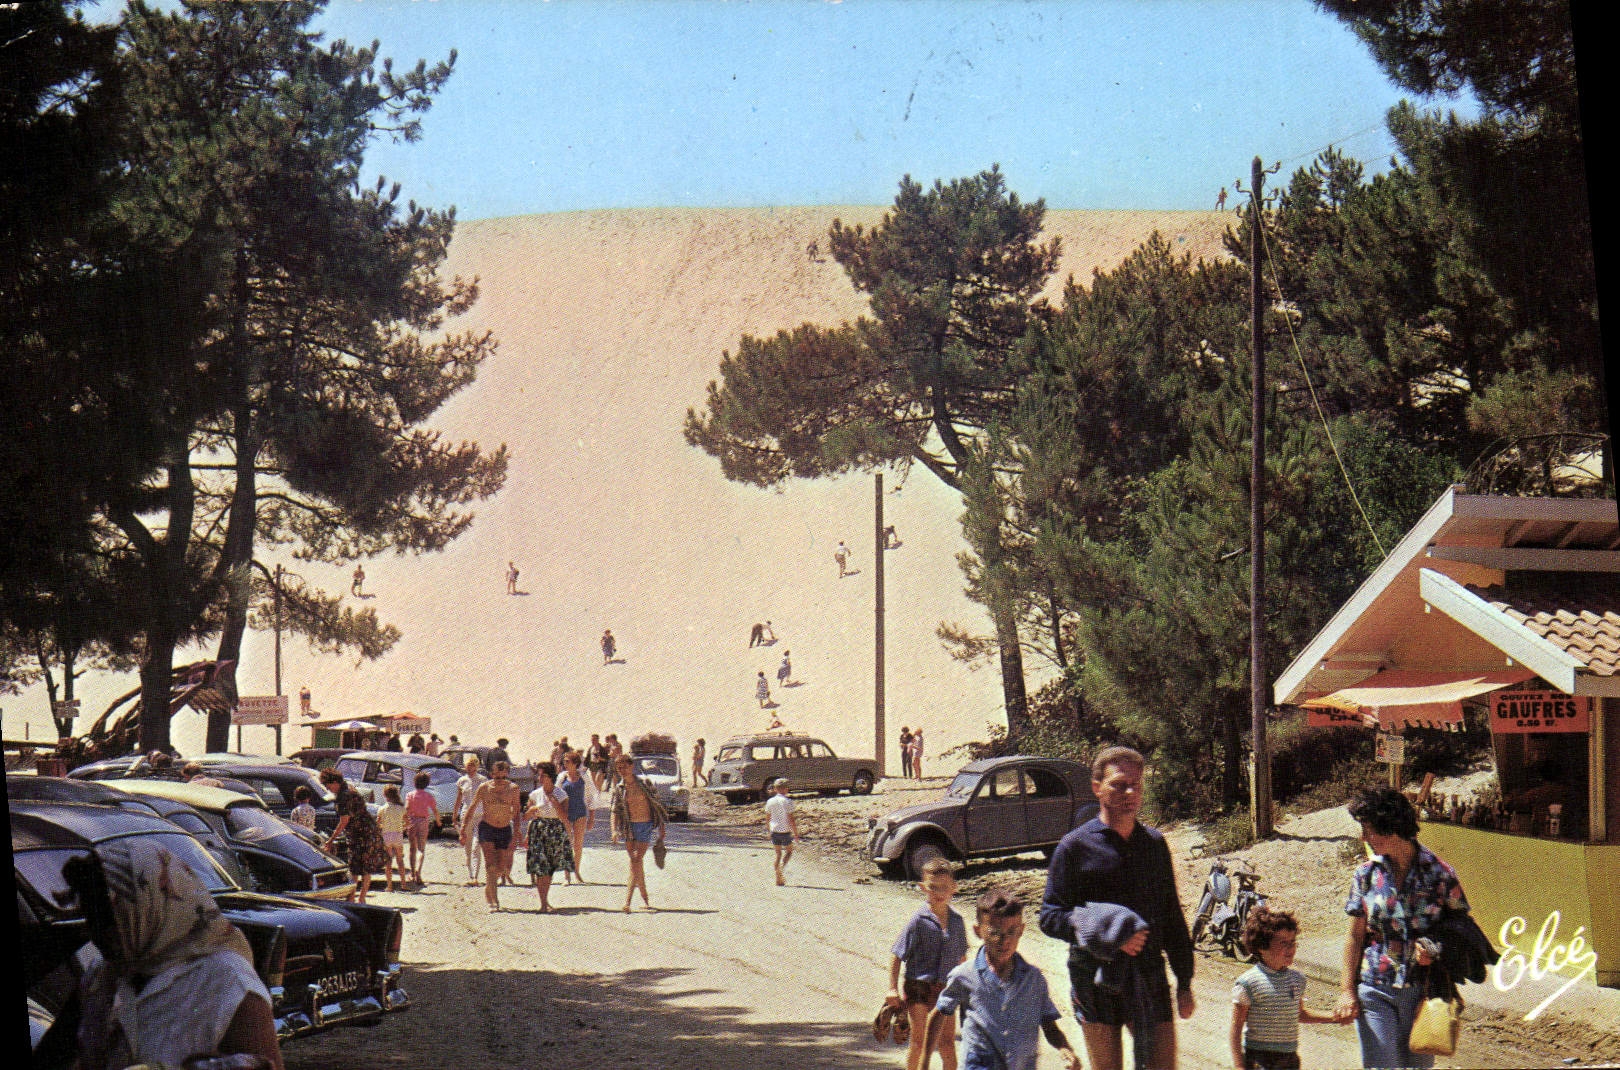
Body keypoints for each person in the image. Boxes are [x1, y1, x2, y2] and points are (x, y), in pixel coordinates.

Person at [62, 841, 285, 1070]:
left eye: (108, 922)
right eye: (90, 920)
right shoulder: (102, 977)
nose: (95, 936)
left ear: (149, 911)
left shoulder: (229, 982)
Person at [1039, 745, 1195, 1070]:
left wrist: (1184, 981)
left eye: (1135, 785)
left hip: (1148, 972)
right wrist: (1108, 932)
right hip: (1094, 975)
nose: (1129, 792)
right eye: (1119, 784)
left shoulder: (1154, 844)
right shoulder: (1074, 847)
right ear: (1097, 787)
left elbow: (1171, 916)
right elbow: (1050, 917)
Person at [1336, 786, 1470, 1069]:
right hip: (1375, 986)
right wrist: (1347, 990)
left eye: (1368, 829)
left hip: (1424, 993)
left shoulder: (1439, 873)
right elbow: (1354, 936)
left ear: (1391, 829)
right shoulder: (1366, 875)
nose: (1363, 837)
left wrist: (1435, 948)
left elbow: (1463, 930)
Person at [923, 888, 1082, 1070]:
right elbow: (939, 1013)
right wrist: (924, 1061)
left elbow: (1048, 1024)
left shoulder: (1033, 979)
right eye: (994, 932)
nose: (1003, 941)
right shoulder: (965, 975)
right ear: (978, 931)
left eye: (1011, 932)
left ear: (1021, 930)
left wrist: (1065, 1048)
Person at [1231, 907, 1340, 1070]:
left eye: (1293, 942)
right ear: (1262, 946)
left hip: (1289, 1058)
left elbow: (1299, 1014)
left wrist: (1334, 1017)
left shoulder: (1297, 980)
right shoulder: (1249, 983)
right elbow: (1236, 1027)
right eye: (1283, 943)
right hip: (1259, 1059)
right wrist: (1240, 1066)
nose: (1291, 948)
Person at [888, 858, 969, 1070]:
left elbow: (962, 959)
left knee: (946, 1044)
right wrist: (892, 989)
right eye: (933, 887)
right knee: (919, 1041)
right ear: (923, 887)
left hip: (946, 989)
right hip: (919, 986)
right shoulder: (919, 921)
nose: (939, 893)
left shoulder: (958, 923)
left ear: (954, 888)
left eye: (944, 888)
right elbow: (897, 955)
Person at [461, 759, 523, 912]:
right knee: (490, 865)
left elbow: (516, 812)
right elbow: (472, 806)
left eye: (503, 777)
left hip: (504, 829)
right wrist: (463, 827)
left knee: (501, 867)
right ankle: (493, 900)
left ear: (507, 774)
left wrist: (517, 832)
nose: (500, 781)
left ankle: (489, 890)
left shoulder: (513, 789)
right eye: (497, 777)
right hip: (487, 827)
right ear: (491, 775)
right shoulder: (484, 788)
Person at [610, 752, 668, 912]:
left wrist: (661, 827)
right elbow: (614, 811)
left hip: (645, 825)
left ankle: (627, 902)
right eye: (619, 768)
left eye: (624, 767)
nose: (622, 770)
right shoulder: (619, 788)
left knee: (636, 860)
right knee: (636, 863)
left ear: (631, 766)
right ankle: (645, 898)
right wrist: (614, 830)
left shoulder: (645, 783)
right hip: (629, 827)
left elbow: (658, 805)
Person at [320, 768, 387, 904]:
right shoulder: (350, 788)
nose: (328, 789)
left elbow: (344, 821)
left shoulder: (343, 797)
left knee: (355, 868)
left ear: (334, 782)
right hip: (368, 831)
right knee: (363, 867)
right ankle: (359, 898)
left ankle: (353, 899)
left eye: (328, 786)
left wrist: (331, 840)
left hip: (360, 834)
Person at [524, 761, 574, 912]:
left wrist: (555, 803)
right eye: (538, 775)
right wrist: (531, 810)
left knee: (549, 868)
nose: (540, 778)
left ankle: (545, 900)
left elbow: (565, 817)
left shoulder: (561, 794)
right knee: (540, 867)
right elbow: (526, 817)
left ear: (551, 776)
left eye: (543, 775)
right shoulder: (535, 794)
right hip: (538, 830)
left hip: (555, 830)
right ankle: (543, 903)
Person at [559, 751, 593, 883]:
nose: (565, 764)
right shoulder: (562, 777)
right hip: (566, 814)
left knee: (578, 844)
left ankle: (577, 872)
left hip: (580, 812)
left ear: (575, 763)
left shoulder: (584, 777)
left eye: (567, 761)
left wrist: (592, 817)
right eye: (564, 761)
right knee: (567, 844)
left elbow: (591, 797)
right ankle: (567, 876)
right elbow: (555, 794)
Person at [453, 755, 488, 885]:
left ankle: (475, 876)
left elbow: (487, 798)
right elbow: (458, 799)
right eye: (468, 768)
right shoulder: (462, 781)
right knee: (467, 846)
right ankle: (471, 874)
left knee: (476, 845)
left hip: (480, 814)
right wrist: (454, 814)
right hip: (465, 814)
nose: (470, 770)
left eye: (473, 768)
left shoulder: (483, 780)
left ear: (477, 767)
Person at [405, 769, 437, 885]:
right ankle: (419, 871)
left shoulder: (410, 795)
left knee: (412, 848)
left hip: (412, 821)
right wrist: (438, 821)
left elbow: (407, 808)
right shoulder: (428, 796)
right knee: (421, 849)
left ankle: (412, 873)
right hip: (423, 821)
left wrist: (404, 820)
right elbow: (434, 810)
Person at [765, 777, 798, 886]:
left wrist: (769, 831)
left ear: (775, 789)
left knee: (778, 854)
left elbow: (767, 818)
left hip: (774, 830)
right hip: (785, 830)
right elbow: (791, 819)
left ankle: (777, 875)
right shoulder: (788, 801)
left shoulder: (770, 801)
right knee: (789, 851)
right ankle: (782, 869)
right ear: (786, 789)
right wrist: (796, 833)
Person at [377, 785, 407, 892]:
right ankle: (403, 884)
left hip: (386, 836)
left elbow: (378, 823)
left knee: (388, 862)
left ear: (385, 795)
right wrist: (402, 828)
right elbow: (407, 822)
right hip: (398, 835)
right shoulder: (401, 808)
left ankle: (389, 886)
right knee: (400, 860)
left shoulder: (382, 809)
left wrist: (382, 827)